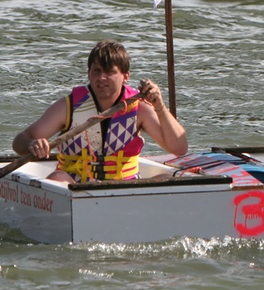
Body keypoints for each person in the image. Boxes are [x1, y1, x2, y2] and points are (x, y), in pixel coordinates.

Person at [13, 40, 188, 183]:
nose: (101, 78)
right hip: (76, 186)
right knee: (57, 177)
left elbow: (179, 148)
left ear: (126, 76)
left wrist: (160, 107)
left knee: (167, 179)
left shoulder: (140, 109)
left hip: (125, 186)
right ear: (89, 74)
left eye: (109, 72)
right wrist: (32, 144)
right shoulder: (68, 107)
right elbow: (20, 141)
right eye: (96, 71)